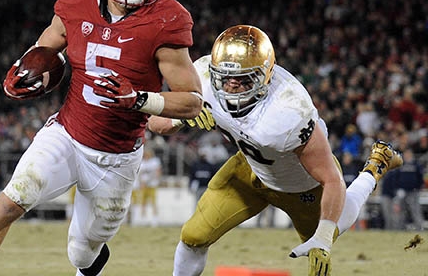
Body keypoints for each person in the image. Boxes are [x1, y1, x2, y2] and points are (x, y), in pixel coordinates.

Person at [0, 0, 202, 276]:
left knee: (81, 251)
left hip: (116, 157)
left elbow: (191, 102)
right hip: (67, 134)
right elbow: (49, 43)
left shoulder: (166, 20)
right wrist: (28, 67)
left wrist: (140, 100)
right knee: (12, 200)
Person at [147, 25, 403, 276]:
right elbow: (154, 122)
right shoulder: (200, 76)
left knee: (334, 228)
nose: (232, 86)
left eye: (244, 78)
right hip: (250, 168)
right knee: (193, 236)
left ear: (264, 76)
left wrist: (324, 236)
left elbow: (331, 179)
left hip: (303, 185)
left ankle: (374, 167)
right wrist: (182, 116)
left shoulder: (288, 111)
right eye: (226, 77)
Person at [138, 147, 163, 226]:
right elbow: (140, 174)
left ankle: (155, 218)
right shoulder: (142, 162)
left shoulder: (155, 161)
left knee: (153, 202)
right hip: (144, 185)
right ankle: (143, 218)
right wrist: (141, 183)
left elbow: (158, 172)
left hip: (152, 184)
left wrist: (155, 180)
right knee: (143, 202)